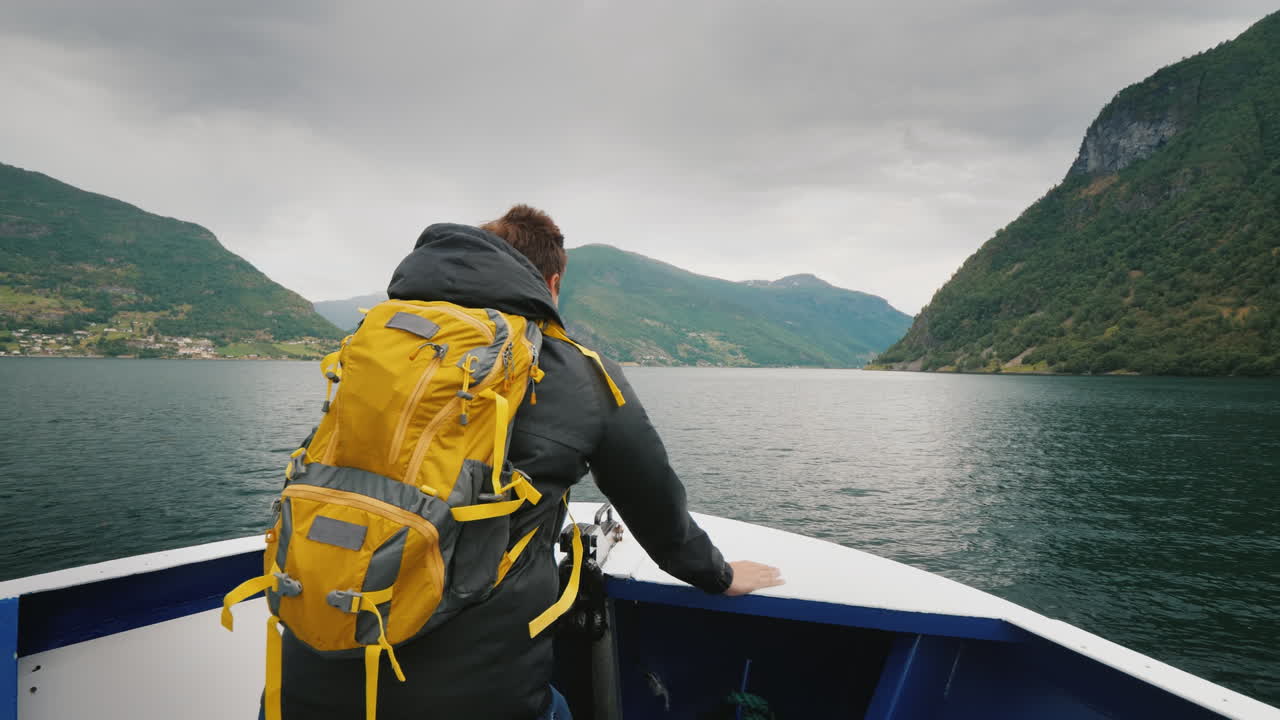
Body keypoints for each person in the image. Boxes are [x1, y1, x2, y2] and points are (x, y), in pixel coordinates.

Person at [276, 206, 783, 719]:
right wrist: (717, 575)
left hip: (306, 673)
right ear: (551, 283)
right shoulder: (574, 370)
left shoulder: (378, 345)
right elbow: (652, 499)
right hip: (477, 695)